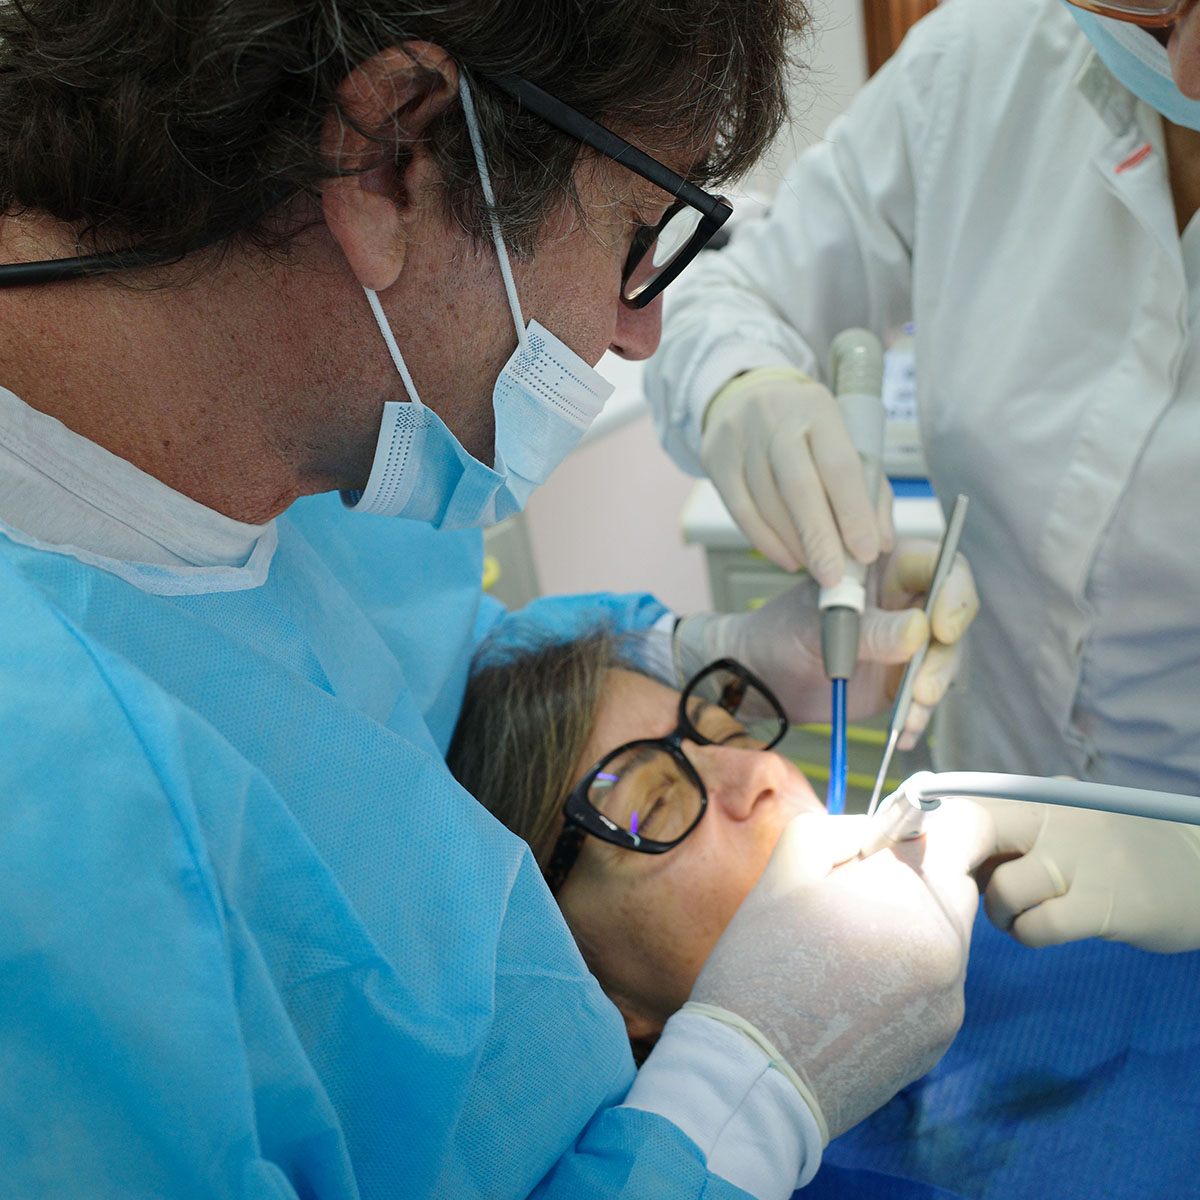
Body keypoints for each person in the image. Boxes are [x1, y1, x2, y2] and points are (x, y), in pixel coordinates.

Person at [0, 2, 992, 1198]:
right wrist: (740, 1100)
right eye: (638, 235)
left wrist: (687, 652)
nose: (640, 331)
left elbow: (364, 697)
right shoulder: (49, 836)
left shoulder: (288, 438)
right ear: (396, 156)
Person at [645, 0, 1200, 954]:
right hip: (975, 861)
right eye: (1157, 5)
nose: (1187, 71)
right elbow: (730, 289)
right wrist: (749, 389)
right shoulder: (979, 66)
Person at [447, 627, 1200, 1199]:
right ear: (594, 990)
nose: (763, 773)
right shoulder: (710, 1166)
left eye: (729, 735)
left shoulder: (1034, 903)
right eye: (654, 805)